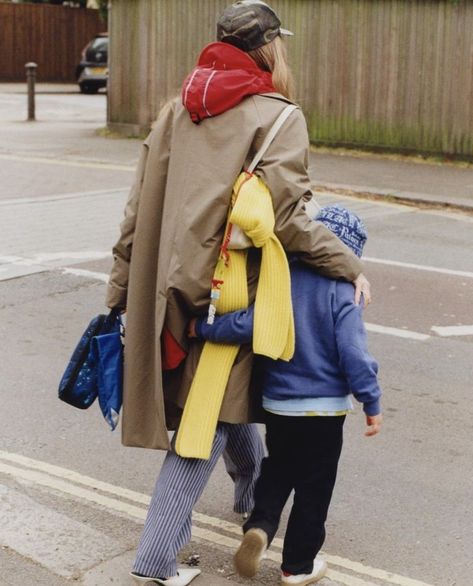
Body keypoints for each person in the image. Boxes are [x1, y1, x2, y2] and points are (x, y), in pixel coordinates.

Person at [106, 0, 372, 583]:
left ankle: (253, 495)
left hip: (166, 293)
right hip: (232, 297)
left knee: (227, 406)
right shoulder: (278, 117)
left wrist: (119, 294)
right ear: (270, 48)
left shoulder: (175, 110)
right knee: (203, 428)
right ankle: (155, 559)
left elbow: (134, 214)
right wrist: (347, 264)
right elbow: (289, 220)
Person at [190, 205, 382, 586]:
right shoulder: (344, 291)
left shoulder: (282, 279)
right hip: (324, 412)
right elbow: (354, 354)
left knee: (278, 468)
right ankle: (297, 566)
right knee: (314, 488)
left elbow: (248, 324)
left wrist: (202, 328)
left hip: (278, 403)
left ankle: (260, 526)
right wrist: (371, 401)